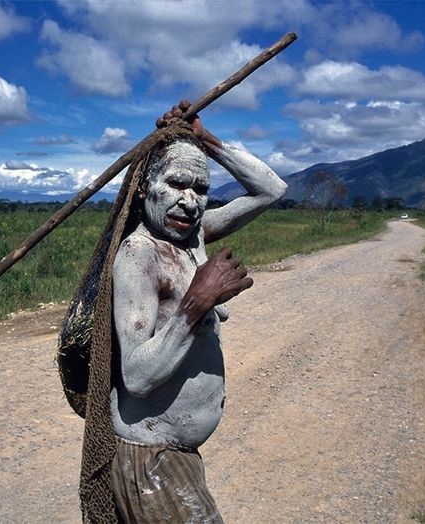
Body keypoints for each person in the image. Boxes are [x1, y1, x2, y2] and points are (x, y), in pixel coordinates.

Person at [109, 100, 287, 522]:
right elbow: (135, 375)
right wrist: (197, 303)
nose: (189, 202)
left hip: (175, 457)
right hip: (152, 459)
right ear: (144, 189)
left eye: (201, 190)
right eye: (176, 184)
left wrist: (203, 140)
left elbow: (272, 190)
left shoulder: (193, 237)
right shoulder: (139, 255)